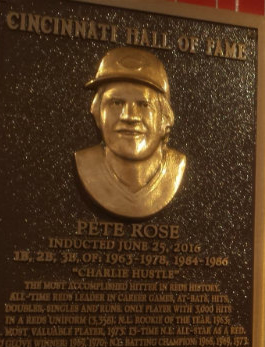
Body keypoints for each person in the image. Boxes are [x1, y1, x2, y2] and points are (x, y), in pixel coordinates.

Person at [75, 47, 186, 218]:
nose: (129, 116)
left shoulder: (176, 169)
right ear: (97, 113)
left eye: (143, 104)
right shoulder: (85, 166)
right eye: (116, 103)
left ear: (165, 117)